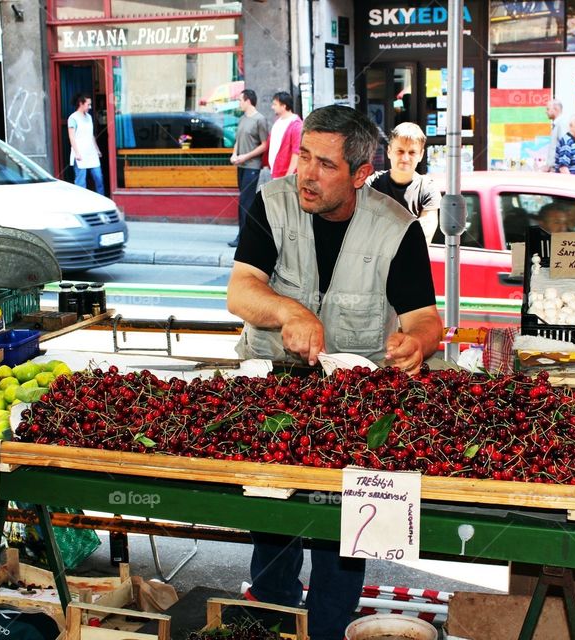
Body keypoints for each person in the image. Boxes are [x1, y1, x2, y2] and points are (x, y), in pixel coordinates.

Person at [227, 105, 442, 640]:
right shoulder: (271, 203)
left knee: (344, 535)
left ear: (360, 173)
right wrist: (288, 311)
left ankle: (330, 628)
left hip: (354, 410)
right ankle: (271, 620)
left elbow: (425, 320)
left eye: (325, 164)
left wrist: (415, 344)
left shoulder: (397, 229)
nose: (306, 173)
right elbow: (241, 289)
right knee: (273, 528)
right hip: (273, 395)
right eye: (304, 157)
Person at [364, 122, 441, 243]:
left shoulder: (427, 189)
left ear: (421, 155)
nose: (405, 158)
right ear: (389, 151)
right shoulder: (371, 184)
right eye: (400, 151)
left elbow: (423, 239)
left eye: (412, 152)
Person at [228, 89, 270, 247]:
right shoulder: (242, 119)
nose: (238, 103)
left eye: (240, 100)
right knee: (243, 201)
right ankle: (242, 235)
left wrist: (245, 157)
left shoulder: (260, 119)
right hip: (241, 165)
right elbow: (238, 140)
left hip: (252, 165)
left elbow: (264, 145)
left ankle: (245, 238)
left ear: (248, 101)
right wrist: (234, 154)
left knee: (246, 201)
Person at [67, 94, 104, 195]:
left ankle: (101, 200)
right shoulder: (73, 118)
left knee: (99, 178)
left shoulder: (89, 117)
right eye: (88, 104)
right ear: (81, 104)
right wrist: (77, 153)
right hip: (80, 153)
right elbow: (72, 137)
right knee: (81, 182)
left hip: (91, 152)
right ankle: (82, 202)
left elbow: (90, 135)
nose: (90, 107)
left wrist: (97, 149)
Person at [267, 91, 303, 179]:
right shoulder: (278, 122)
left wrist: (288, 175)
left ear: (284, 106)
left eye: (275, 104)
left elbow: (296, 152)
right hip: (276, 172)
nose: (272, 107)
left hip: (285, 175)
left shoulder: (296, 124)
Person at [542, 99, 569, 172]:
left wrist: (556, 166)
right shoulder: (556, 124)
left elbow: (565, 147)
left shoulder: (562, 124)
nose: (546, 112)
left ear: (556, 109)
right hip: (553, 169)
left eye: (548, 109)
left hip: (558, 169)